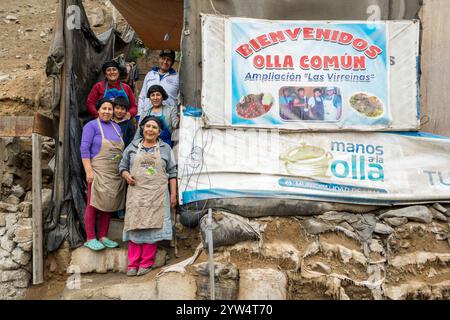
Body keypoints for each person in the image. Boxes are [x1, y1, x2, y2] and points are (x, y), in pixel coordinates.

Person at [119, 116, 177, 276]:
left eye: (154, 127)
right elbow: (122, 166)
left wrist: (173, 194)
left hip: (157, 195)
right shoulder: (132, 146)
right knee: (135, 226)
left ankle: (146, 262)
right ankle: (132, 264)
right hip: (137, 194)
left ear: (159, 132)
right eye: (148, 126)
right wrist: (125, 175)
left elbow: (172, 172)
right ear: (142, 128)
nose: (150, 130)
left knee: (153, 228)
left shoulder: (166, 149)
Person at [80, 98, 126, 251]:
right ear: (98, 110)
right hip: (97, 171)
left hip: (113, 172)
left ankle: (103, 236)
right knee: (93, 203)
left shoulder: (116, 128)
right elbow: (84, 149)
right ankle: (90, 238)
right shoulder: (91, 126)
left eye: (109, 109)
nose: (107, 112)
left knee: (108, 204)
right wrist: (88, 170)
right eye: (104, 109)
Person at [138, 49, 179, 120]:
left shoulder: (177, 77)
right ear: (159, 59)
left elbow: (181, 99)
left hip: (168, 118)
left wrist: (177, 115)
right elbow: (142, 96)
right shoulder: (150, 74)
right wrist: (139, 114)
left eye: (168, 60)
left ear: (172, 63)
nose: (165, 62)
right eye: (163, 58)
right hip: (148, 115)